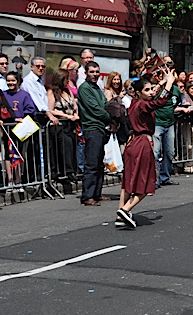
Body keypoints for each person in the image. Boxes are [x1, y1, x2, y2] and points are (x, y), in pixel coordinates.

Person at [116, 69, 177, 228]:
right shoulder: (142, 105)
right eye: (147, 90)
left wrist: (162, 83)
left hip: (133, 142)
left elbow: (153, 94)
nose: (151, 92)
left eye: (151, 89)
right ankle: (126, 209)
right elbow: (159, 102)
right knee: (146, 181)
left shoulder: (134, 103)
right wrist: (169, 83)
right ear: (137, 93)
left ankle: (120, 213)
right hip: (142, 143)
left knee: (128, 180)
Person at [78, 61, 112, 206]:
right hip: (92, 127)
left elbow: (105, 103)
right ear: (86, 73)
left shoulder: (96, 87)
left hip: (101, 128)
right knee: (91, 163)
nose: (95, 74)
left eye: (97, 71)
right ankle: (88, 196)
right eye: (92, 72)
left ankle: (97, 193)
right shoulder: (85, 88)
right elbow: (95, 109)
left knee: (99, 163)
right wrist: (110, 117)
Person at [46, 68, 79, 185]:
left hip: (70, 123)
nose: (67, 81)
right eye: (66, 79)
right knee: (63, 146)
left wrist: (75, 113)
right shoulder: (52, 91)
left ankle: (71, 171)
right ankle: (64, 172)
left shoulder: (68, 91)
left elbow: (74, 105)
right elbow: (51, 109)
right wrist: (66, 116)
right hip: (59, 124)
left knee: (71, 146)